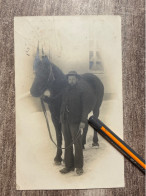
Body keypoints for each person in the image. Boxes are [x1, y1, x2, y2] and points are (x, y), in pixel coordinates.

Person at [60, 71, 90, 175]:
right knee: (67, 143)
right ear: (67, 80)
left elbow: (85, 108)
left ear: (76, 79)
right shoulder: (65, 90)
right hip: (65, 121)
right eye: (69, 79)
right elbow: (57, 100)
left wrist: (83, 121)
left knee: (77, 144)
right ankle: (68, 166)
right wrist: (45, 98)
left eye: (73, 79)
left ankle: (79, 167)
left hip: (76, 122)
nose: (71, 81)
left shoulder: (81, 91)